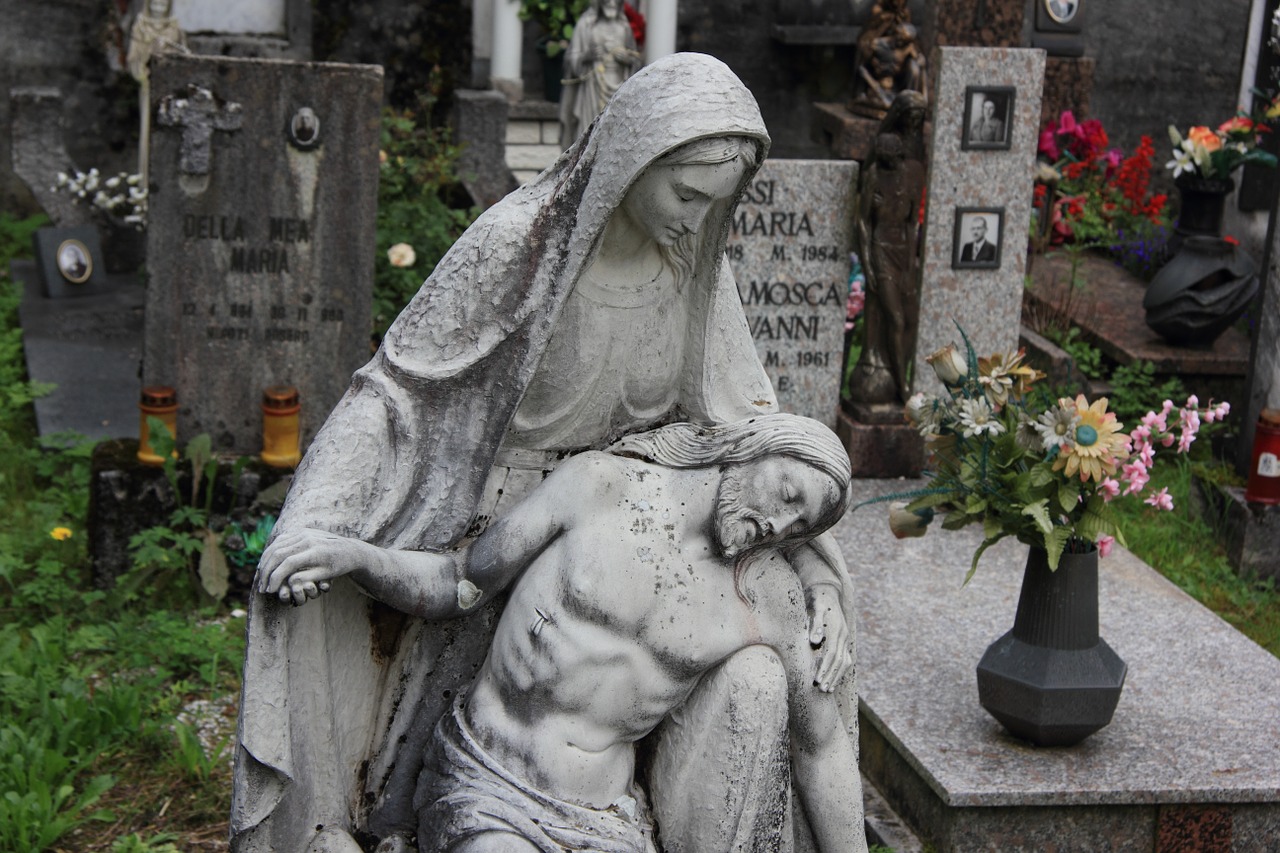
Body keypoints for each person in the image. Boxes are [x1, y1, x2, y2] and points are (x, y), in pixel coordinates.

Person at [231, 53, 859, 852]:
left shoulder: (699, 275)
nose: (698, 219)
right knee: (408, 795)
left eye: (716, 203)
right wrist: (321, 517)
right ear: (634, 156)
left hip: (648, 548)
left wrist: (815, 578)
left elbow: (758, 436)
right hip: (507, 535)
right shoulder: (518, 248)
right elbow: (393, 396)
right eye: (687, 194)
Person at [259, 415, 865, 853]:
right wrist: (354, 557)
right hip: (489, 786)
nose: (780, 524)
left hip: (605, 821)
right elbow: (457, 583)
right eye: (788, 494)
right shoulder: (599, 487)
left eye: (800, 524)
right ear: (749, 449)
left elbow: (821, 746)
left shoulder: (769, 598)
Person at [847, 92, 927, 415]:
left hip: (903, 253)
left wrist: (913, 260)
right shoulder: (875, 175)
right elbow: (863, 221)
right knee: (892, 316)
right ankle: (899, 381)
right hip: (880, 249)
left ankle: (899, 377)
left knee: (909, 318)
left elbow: (912, 222)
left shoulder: (911, 174)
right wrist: (866, 262)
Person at [559, 0, 642, 146]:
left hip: (618, 87)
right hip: (591, 89)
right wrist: (587, 56)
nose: (611, 3)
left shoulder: (624, 27)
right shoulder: (587, 25)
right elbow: (571, 59)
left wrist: (627, 59)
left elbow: (636, 60)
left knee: (616, 135)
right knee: (588, 134)